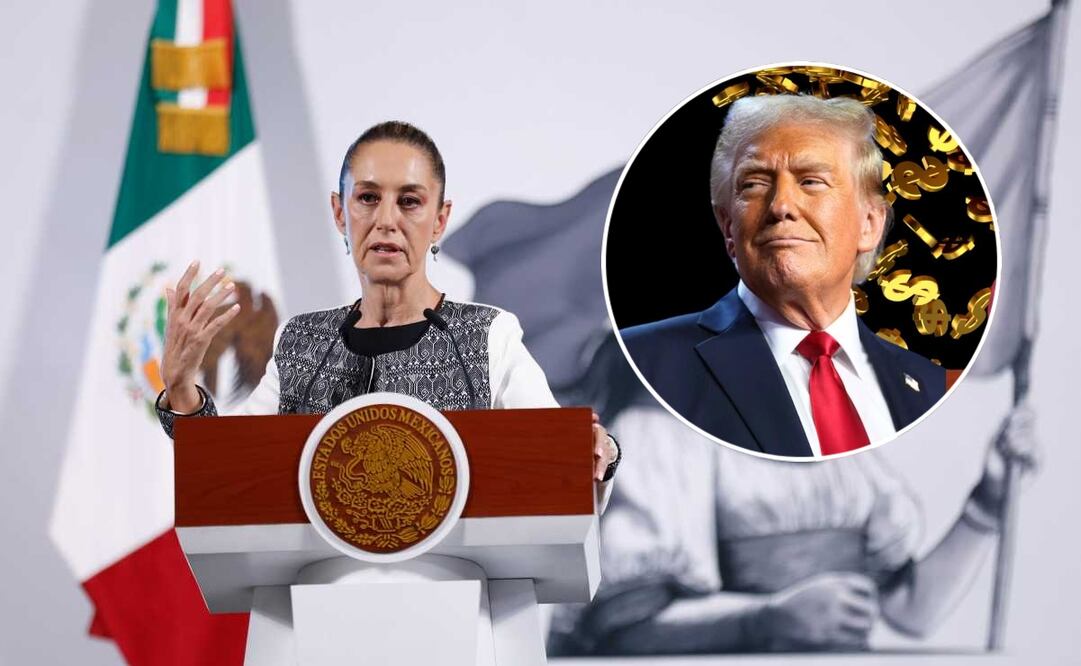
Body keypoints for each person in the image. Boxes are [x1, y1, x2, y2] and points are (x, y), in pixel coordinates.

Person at [154, 120, 620, 493]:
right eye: (369, 198)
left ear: (439, 221)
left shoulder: (485, 335)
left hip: (453, 602)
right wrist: (180, 387)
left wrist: (602, 449)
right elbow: (231, 467)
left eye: (410, 202)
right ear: (341, 213)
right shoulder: (303, 342)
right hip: (317, 604)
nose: (386, 221)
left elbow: (561, 451)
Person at [547, 395, 1038, 654]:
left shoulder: (835, 446)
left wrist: (989, 499)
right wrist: (769, 619)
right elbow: (624, 629)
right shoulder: (662, 432)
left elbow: (911, 611)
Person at [620, 95, 945, 458]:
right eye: (754, 184)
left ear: (869, 224)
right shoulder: (637, 364)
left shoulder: (930, 387)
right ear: (728, 227)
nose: (781, 206)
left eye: (810, 181)